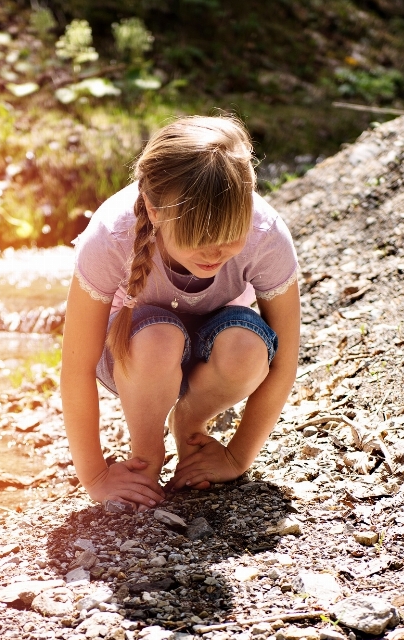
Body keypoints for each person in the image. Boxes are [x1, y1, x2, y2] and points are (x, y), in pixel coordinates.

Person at [60, 115, 300, 510]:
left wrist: (238, 456)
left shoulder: (266, 234)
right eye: (200, 239)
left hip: (213, 356)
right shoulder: (111, 235)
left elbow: (285, 359)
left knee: (248, 348)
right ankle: (146, 453)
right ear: (155, 213)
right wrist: (95, 476)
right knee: (159, 338)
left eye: (229, 238)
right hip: (133, 359)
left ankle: (190, 424)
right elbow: (76, 367)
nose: (214, 253)